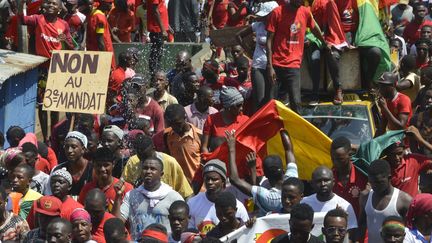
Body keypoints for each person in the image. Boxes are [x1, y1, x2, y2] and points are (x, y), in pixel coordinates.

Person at [18, 0, 73, 143]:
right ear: (43, 7)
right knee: (43, 106)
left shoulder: (64, 25)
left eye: (54, 4)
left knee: (55, 105)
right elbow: (22, 20)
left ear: (60, 9)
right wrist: (20, 5)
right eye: (48, 3)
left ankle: (54, 135)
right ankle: (46, 137)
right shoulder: (38, 19)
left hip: (58, 70)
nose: (50, 6)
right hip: (42, 70)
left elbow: (72, 48)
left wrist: (65, 41)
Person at [266, 0, 327, 113]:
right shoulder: (277, 12)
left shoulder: (305, 12)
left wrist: (324, 44)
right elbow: (269, 40)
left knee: (296, 103)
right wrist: (270, 66)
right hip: (276, 65)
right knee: (271, 104)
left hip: (293, 65)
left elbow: (314, 29)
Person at [225, 129, 298, 215]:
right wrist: (281, 127)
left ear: (265, 175)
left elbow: (234, 179)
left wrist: (231, 148)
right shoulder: (293, 179)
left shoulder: (271, 198)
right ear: (283, 170)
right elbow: (289, 150)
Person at [114, 156, 184, 240]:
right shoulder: (132, 195)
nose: (148, 171)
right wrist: (118, 197)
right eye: (145, 168)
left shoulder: (173, 197)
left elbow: (183, 223)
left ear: (161, 174)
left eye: (153, 169)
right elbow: (117, 223)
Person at [187, 159, 249, 234]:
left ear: (223, 181)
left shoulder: (236, 206)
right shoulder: (193, 203)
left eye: (214, 179)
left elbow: (246, 233)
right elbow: (188, 234)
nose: (210, 182)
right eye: (207, 179)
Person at [121, 134, 193, 198]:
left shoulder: (170, 162)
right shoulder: (133, 162)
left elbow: (186, 193)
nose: (144, 160)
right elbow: (124, 187)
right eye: (140, 157)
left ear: (153, 148)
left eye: (146, 156)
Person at [358, 159, 412, 243]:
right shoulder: (365, 197)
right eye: (372, 182)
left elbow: (410, 231)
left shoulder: (404, 200)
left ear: (389, 178)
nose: (375, 186)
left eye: (379, 182)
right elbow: (361, 225)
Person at [301, 166, 358, 242]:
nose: (323, 184)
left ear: (333, 182)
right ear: (312, 183)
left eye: (326, 180)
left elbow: (351, 237)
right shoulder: (304, 203)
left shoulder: (345, 206)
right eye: (319, 181)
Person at [156, 104, 202, 182]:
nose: (175, 127)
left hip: (198, 186)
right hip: (178, 185)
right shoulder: (167, 136)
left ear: (185, 118)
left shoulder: (200, 136)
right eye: (171, 124)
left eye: (178, 123)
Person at [78, 147, 133, 212]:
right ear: (93, 165)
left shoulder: (126, 188)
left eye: (106, 165)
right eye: (99, 165)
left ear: (113, 164)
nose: (102, 169)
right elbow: (81, 212)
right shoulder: (87, 188)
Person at [382, 129, 432, 197]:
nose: (397, 158)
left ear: (404, 150)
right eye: (392, 154)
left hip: (413, 207)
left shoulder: (413, 160)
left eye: (399, 153)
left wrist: (421, 140)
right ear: (387, 154)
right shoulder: (382, 166)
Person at [202, 86, 249, 154]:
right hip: (216, 162)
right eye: (238, 105)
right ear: (228, 107)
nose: (241, 108)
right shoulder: (211, 120)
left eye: (242, 104)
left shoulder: (245, 120)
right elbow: (204, 147)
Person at [330, 136, 368, 217]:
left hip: (361, 227)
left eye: (340, 159)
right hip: (339, 227)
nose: (335, 162)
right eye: (333, 159)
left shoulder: (363, 175)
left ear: (350, 155)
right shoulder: (329, 178)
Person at [52, 131, 92, 196]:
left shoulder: (93, 170)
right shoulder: (58, 170)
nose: (69, 150)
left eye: (73, 147)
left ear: (83, 149)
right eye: (67, 147)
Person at [147, 0, 169, 77]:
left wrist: (167, 26)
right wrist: (163, 29)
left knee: (158, 56)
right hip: (157, 30)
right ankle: (155, 78)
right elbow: (155, 10)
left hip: (159, 29)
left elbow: (160, 9)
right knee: (155, 58)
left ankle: (156, 76)